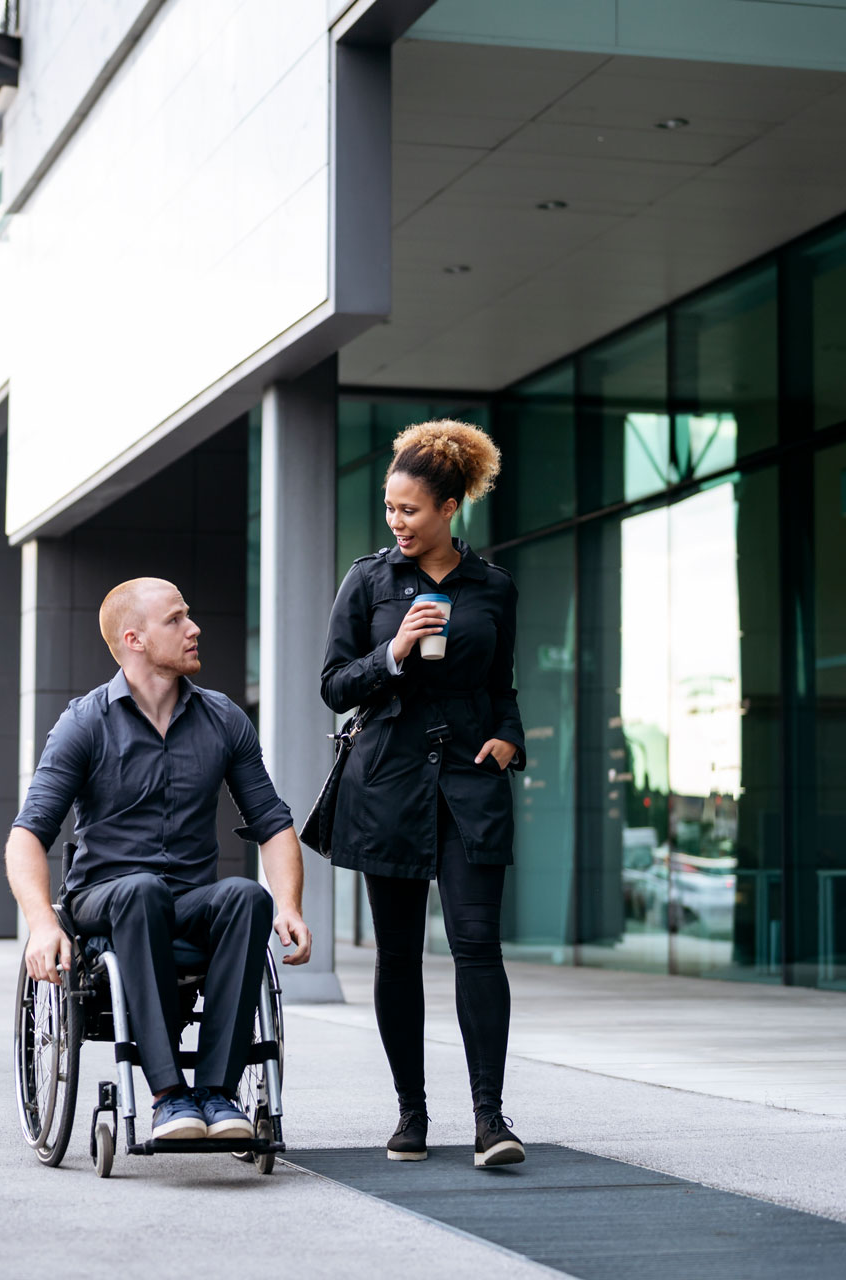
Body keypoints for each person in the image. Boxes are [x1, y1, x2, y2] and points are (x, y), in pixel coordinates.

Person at [7, 577, 313, 1143]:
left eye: (188, 616)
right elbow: (27, 835)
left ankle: (217, 1096)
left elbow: (272, 823)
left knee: (247, 896)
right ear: (135, 639)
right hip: (105, 899)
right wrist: (41, 924)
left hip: (188, 899)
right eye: (175, 619)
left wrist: (288, 904)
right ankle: (169, 1096)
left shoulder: (224, 720)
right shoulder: (85, 723)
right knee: (141, 889)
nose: (194, 628)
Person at [320, 420, 526, 1168]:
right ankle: (412, 1115)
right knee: (398, 956)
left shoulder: (493, 586)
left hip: (472, 784)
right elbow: (334, 685)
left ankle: (491, 1120)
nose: (396, 522)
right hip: (388, 787)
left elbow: (502, 685)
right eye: (390, 509)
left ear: (448, 507)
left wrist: (510, 736)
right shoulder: (369, 581)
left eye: (410, 509)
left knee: (478, 947)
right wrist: (395, 650)